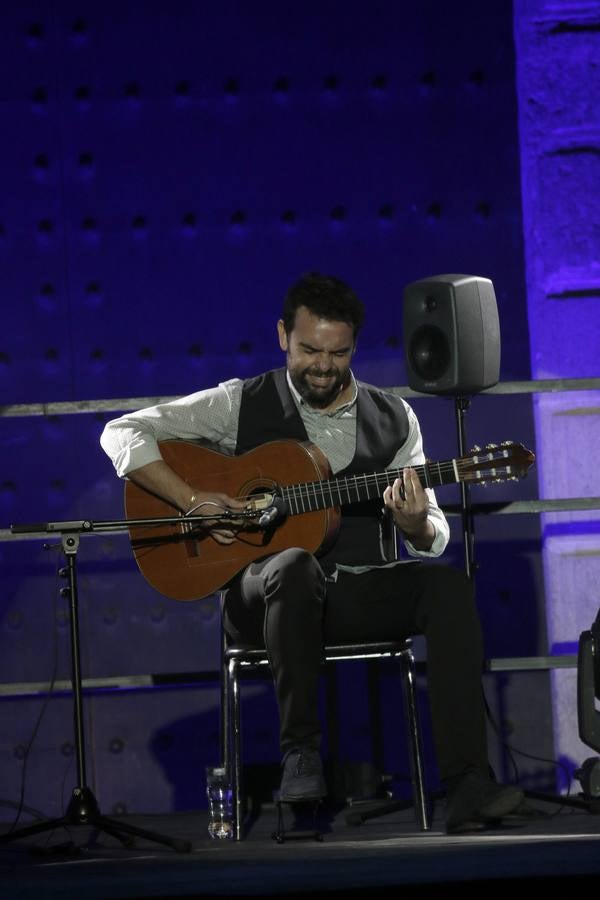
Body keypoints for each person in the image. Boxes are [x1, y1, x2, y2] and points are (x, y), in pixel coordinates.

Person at [100, 271, 524, 834]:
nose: (323, 365)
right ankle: (300, 756)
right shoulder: (238, 403)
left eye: (338, 352)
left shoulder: (395, 418)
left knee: (446, 587)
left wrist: (417, 524)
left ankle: (469, 786)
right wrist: (194, 499)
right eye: (309, 350)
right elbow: (121, 433)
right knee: (293, 565)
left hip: (352, 595)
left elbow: (435, 537)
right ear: (283, 336)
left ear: (354, 346)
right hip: (264, 598)